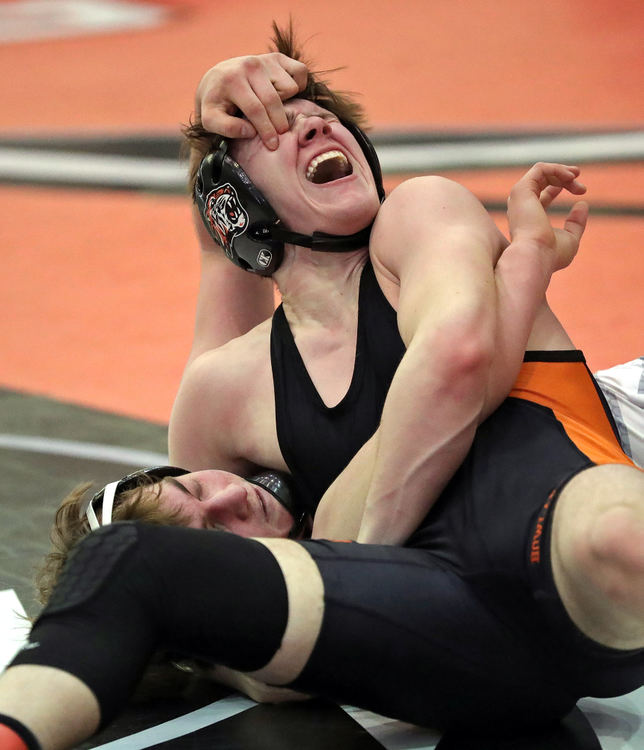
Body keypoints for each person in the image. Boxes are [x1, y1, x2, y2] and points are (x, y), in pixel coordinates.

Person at [0, 141, 643, 750]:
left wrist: (526, 257)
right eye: (214, 533)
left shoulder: (413, 224)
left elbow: (459, 364)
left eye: (197, 486)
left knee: (616, 537)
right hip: (466, 624)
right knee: (133, 558)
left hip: (570, 502)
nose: (228, 493)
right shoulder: (241, 404)